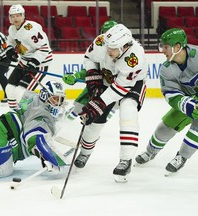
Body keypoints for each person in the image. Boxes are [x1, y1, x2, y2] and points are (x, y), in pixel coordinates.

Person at [72, 24, 147, 183]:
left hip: (133, 84)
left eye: (112, 48)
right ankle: (85, 152)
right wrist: (93, 82)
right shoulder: (102, 42)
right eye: (108, 46)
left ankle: (125, 160)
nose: (108, 50)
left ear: (125, 46)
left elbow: (119, 88)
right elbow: (89, 58)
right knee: (96, 121)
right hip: (107, 81)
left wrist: (96, 105)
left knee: (128, 112)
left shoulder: (134, 58)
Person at [135, 28, 198, 175]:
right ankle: (150, 152)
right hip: (188, 101)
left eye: (166, 46)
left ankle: (181, 157)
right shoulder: (166, 69)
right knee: (164, 128)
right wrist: (186, 104)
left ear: (177, 46)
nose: (163, 50)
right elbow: (170, 93)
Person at [62, 20, 118, 121]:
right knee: (80, 103)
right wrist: (76, 76)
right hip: (100, 85)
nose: (107, 37)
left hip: (115, 90)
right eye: (105, 33)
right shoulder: (99, 48)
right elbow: (90, 69)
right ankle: (66, 124)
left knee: (101, 116)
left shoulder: (126, 54)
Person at [5, 4, 53, 109]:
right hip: (24, 61)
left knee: (20, 92)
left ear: (23, 16)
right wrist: (9, 50)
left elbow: (44, 48)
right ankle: (15, 113)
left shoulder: (31, 29)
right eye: (12, 16)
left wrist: (33, 63)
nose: (15, 18)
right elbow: (10, 40)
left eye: (18, 15)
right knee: (9, 88)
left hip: (39, 63)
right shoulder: (12, 29)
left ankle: (28, 114)